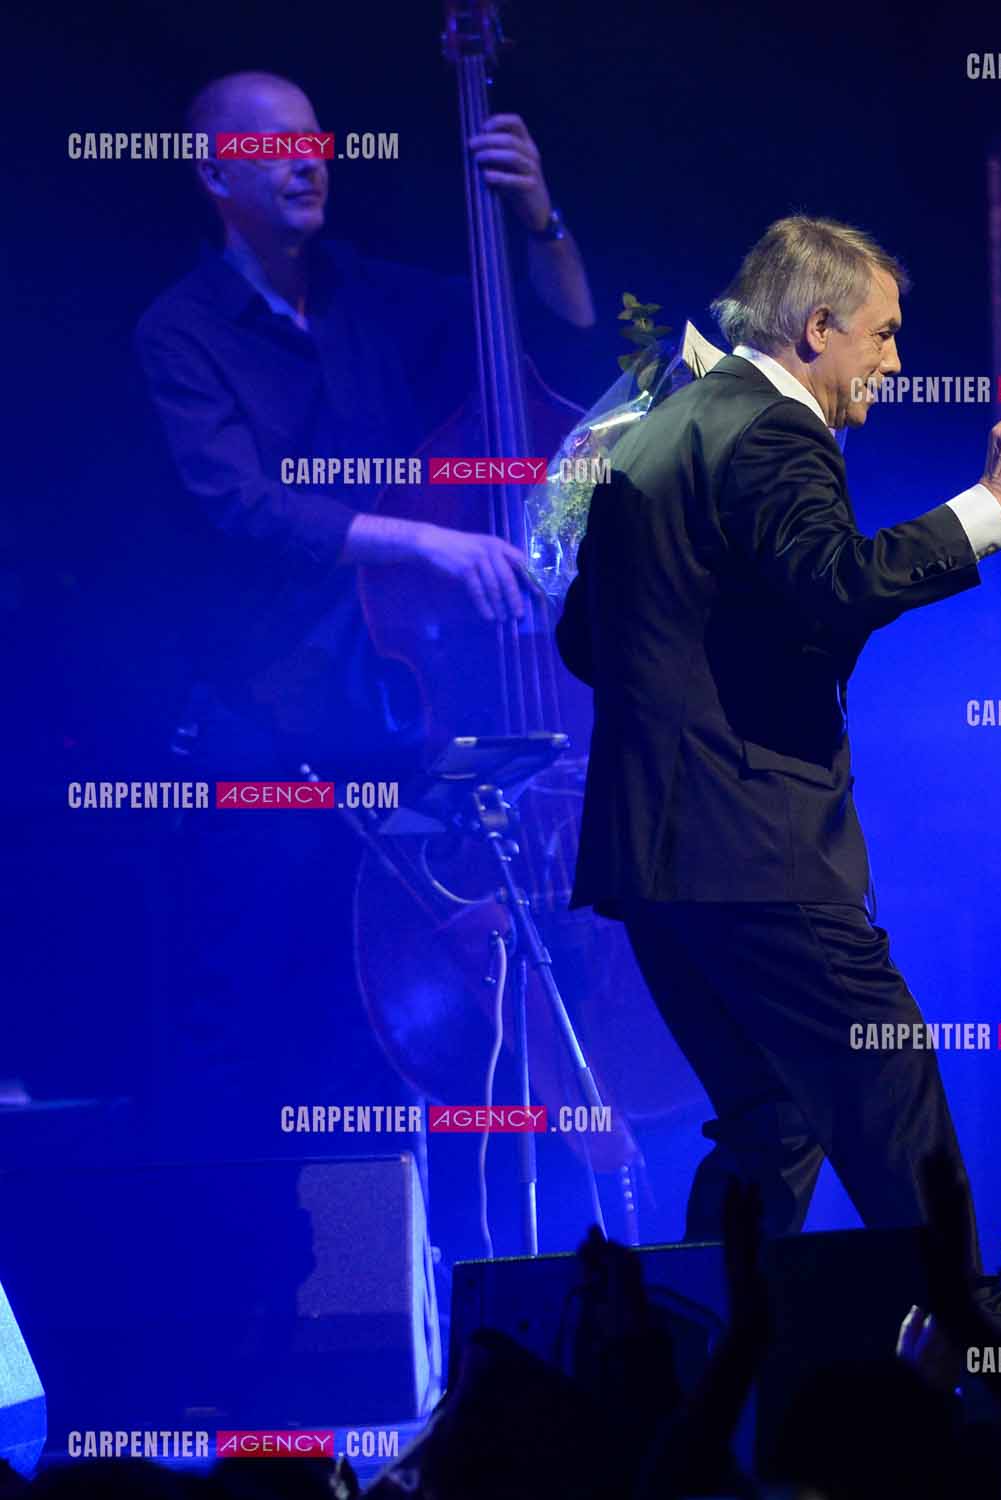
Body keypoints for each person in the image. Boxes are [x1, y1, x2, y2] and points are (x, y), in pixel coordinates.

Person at [557, 215, 1001, 1256]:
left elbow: (586, 639)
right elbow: (838, 582)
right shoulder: (775, 428)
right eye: (882, 335)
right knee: (888, 1086)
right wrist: (991, 502)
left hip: (652, 862)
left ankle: (702, 1342)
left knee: (774, 1123)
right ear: (817, 326)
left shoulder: (656, 429)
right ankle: (966, 1333)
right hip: (755, 851)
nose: (894, 363)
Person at [132, 70, 594, 1159]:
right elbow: (240, 503)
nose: (307, 160)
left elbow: (559, 332)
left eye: (315, 140)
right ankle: (256, 1248)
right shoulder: (179, 331)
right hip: (273, 717)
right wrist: (424, 540)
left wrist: (539, 219)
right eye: (273, 147)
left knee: (390, 1030)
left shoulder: (373, 295)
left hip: (408, 712)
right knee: (260, 1016)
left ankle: (413, 1239)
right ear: (214, 175)